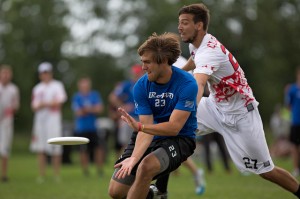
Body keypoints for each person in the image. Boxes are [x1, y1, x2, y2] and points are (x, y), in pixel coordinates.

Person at [175, 3, 300, 198]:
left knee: (266, 171)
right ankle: (158, 187)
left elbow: (198, 85)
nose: (179, 27)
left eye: (184, 23)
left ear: (199, 25)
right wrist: (177, 74)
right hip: (215, 108)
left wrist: (189, 110)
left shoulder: (209, 51)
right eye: (179, 23)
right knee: (169, 125)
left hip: (242, 114)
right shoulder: (196, 45)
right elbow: (194, 59)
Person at [108, 32, 198, 199]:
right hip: (148, 132)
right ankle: (153, 193)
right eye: (142, 62)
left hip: (180, 138)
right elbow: (145, 128)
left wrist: (142, 127)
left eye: (147, 62)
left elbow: (174, 128)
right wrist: (134, 158)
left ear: (163, 61)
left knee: (146, 167)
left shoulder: (187, 83)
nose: (143, 67)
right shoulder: (141, 86)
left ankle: (151, 188)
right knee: (116, 192)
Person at [30, 62, 67, 183]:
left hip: (53, 120)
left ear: (50, 73)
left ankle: (56, 175)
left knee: (56, 147)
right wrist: (48, 103)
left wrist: (44, 104)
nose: (45, 75)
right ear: (40, 74)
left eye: (47, 72)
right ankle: (42, 175)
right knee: (41, 148)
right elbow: (34, 106)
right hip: (40, 122)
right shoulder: (37, 88)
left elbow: (60, 101)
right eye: (43, 73)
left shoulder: (57, 85)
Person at [71, 76, 105, 176]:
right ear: (79, 86)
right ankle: (85, 171)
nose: (85, 87)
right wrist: (92, 109)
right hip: (81, 128)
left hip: (93, 127)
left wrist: (86, 109)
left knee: (98, 148)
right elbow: (78, 112)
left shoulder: (94, 95)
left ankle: (99, 170)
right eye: (83, 85)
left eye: (86, 85)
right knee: (83, 150)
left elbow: (99, 109)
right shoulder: (76, 96)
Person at [108, 64, 144, 157]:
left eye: (138, 73)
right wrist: (122, 106)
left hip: (142, 117)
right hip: (129, 117)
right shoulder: (126, 85)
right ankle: (121, 164)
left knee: (143, 142)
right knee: (126, 144)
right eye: (135, 73)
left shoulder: (145, 84)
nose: (136, 75)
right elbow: (112, 97)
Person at [0, 65, 19, 182]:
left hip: (7, 122)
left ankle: (4, 175)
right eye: (4, 73)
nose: (6, 75)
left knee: (5, 148)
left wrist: (12, 110)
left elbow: (16, 105)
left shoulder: (14, 89)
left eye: (8, 73)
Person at [285, 67, 300, 177]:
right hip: (296, 122)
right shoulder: (292, 89)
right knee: (294, 146)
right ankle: (296, 169)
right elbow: (288, 106)